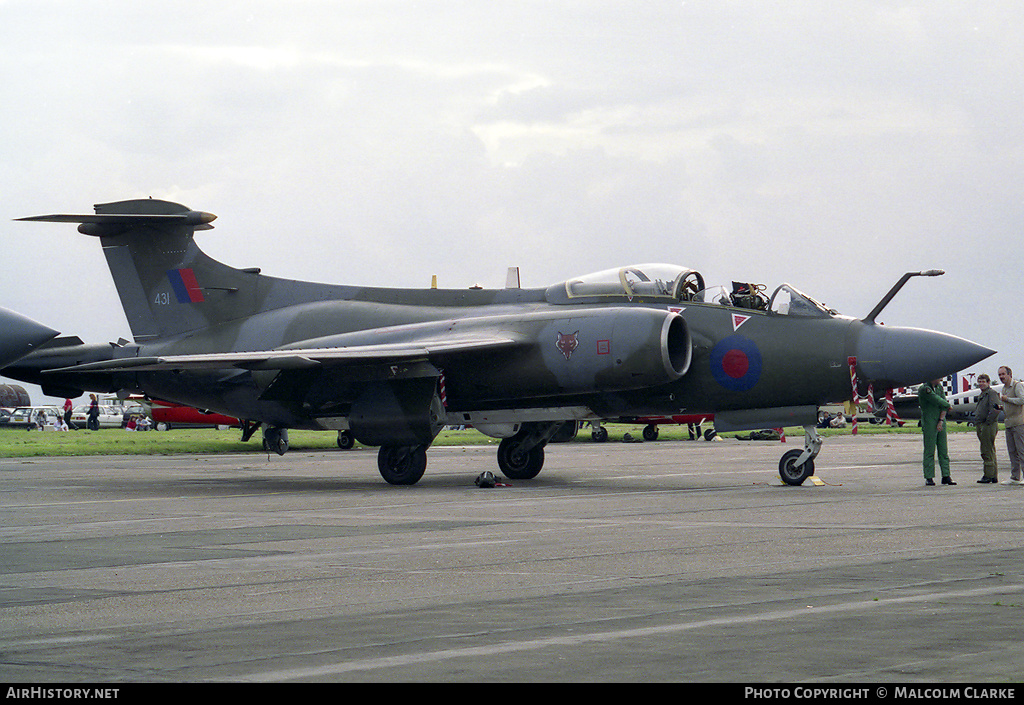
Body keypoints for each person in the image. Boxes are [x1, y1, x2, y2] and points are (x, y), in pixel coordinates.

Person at [918, 379, 954, 485]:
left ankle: (946, 475)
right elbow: (936, 400)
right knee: (930, 449)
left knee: (943, 449)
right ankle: (929, 476)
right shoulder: (925, 389)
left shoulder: (939, 387)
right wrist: (948, 405)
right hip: (929, 420)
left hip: (940, 419)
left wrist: (941, 420)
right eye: (939, 377)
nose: (941, 379)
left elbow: (943, 401)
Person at [997, 366, 1024, 484]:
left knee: (1021, 450)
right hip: (1008, 423)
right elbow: (1010, 403)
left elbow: (1022, 400)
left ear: (1009, 374)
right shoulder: (1004, 388)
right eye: (999, 375)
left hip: (1019, 423)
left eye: (1003, 374)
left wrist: (1007, 399)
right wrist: (1002, 407)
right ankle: (1015, 477)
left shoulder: (1017, 385)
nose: (1001, 377)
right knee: (1012, 451)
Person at [973, 373, 1001, 483]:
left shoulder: (991, 393)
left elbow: (995, 409)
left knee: (986, 450)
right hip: (982, 424)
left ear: (988, 382)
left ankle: (988, 475)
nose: (981, 384)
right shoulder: (983, 394)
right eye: (979, 382)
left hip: (987, 425)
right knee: (990, 449)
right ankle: (993, 475)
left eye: (983, 381)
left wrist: (987, 422)